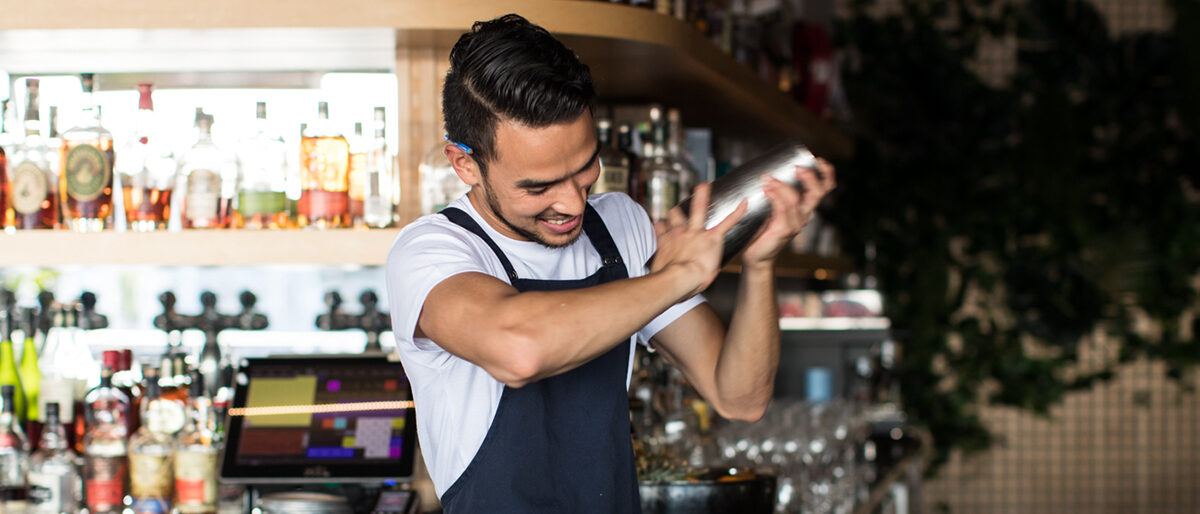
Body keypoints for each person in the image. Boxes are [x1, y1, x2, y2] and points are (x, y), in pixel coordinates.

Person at [385, 13, 836, 513]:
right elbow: (519, 350)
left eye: (585, 170)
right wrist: (680, 274)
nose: (573, 205)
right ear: (464, 163)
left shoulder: (619, 225)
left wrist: (760, 266)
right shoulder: (432, 252)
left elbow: (740, 398)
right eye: (539, 187)